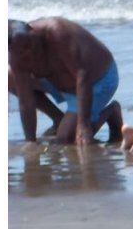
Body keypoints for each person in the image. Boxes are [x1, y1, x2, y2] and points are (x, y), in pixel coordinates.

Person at [8, 18, 123, 146]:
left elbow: (82, 75)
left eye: (30, 44)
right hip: (59, 83)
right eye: (22, 52)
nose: (30, 52)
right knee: (9, 77)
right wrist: (30, 141)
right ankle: (58, 119)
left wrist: (83, 124)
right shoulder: (15, 57)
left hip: (97, 81)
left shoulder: (57, 33)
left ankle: (111, 112)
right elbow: (26, 101)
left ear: (33, 32)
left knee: (66, 139)